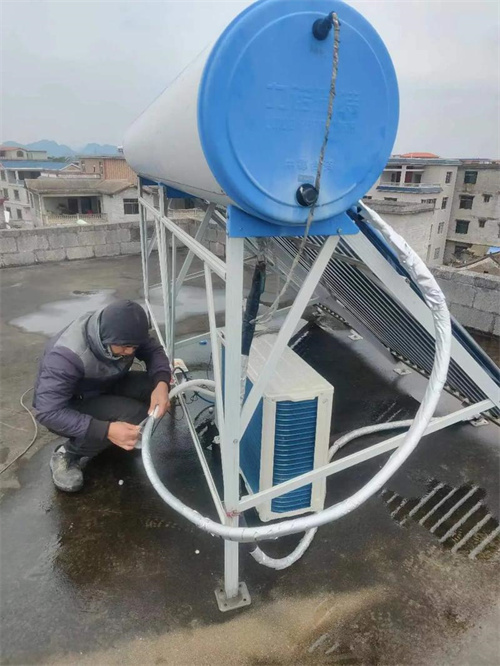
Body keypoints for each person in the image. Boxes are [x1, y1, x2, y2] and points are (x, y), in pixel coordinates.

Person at [33, 300, 171, 493]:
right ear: (106, 338)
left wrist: (162, 383)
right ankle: (68, 454)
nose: (130, 352)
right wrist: (106, 430)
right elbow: (48, 412)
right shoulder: (65, 357)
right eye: (125, 347)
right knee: (134, 415)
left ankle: (113, 435)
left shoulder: (124, 330)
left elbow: (153, 350)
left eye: (134, 346)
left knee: (154, 388)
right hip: (74, 403)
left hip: (104, 382)